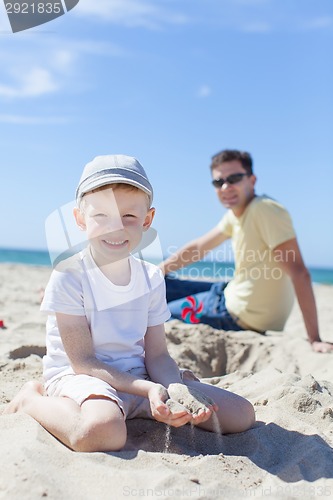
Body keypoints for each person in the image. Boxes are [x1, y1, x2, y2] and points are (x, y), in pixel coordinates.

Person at [4, 154, 255, 452]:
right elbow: (83, 362)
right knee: (102, 432)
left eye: (129, 217)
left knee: (240, 415)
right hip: (84, 378)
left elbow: (158, 355)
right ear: (81, 219)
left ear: (147, 220)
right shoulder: (69, 275)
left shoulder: (150, 277)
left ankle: (148, 405)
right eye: (102, 216)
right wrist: (148, 389)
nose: (116, 228)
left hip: (141, 380)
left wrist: (172, 389)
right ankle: (31, 399)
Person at [161, 149, 333, 354]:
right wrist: (159, 270)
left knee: (160, 313)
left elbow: (299, 273)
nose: (226, 187)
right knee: (160, 284)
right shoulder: (236, 214)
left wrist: (314, 339)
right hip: (228, 293)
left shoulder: (265, 210)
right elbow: (199, 248)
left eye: (234, 178)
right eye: (218, 182)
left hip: (235, 313)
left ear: (252, 180)